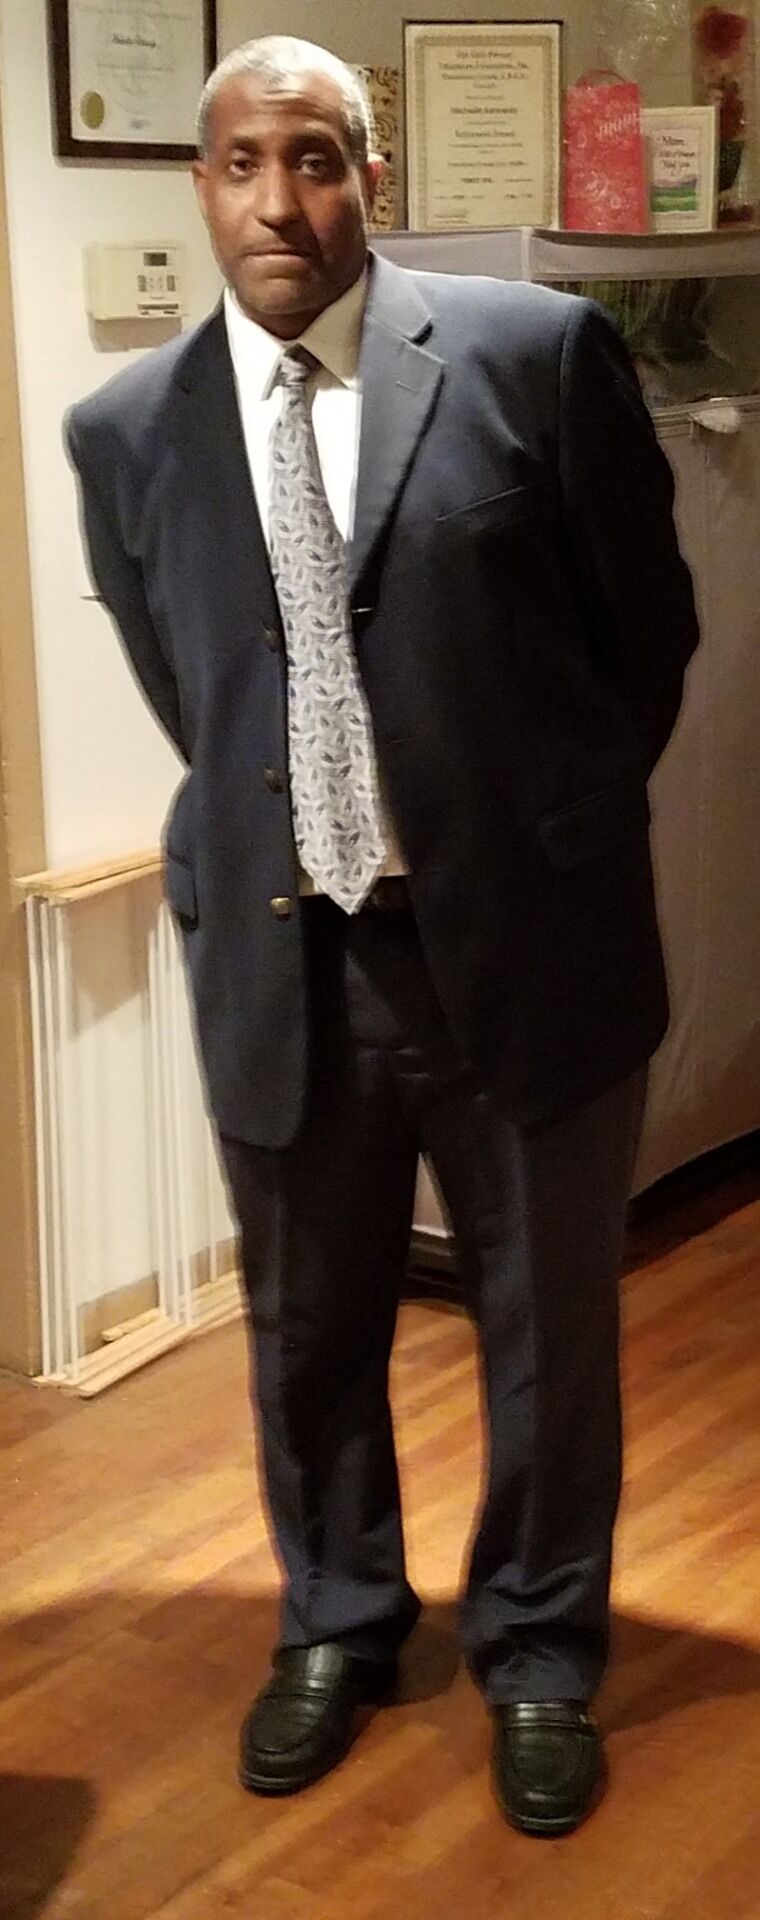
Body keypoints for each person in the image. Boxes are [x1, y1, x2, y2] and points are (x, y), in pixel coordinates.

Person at [66, 35, 699, 1837]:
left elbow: (643, 637)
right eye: (242, 163)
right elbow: (197, 694)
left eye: (317, 158)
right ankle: (337, 1618)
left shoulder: (531, 356)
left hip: (527, 946)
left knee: (547, 1329)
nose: (281, 200)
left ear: (372, 177)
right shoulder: (125, 431)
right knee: (309, 1324)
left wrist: (526, 829)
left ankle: (541, 1647)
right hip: (287, 957)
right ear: (201, 186)